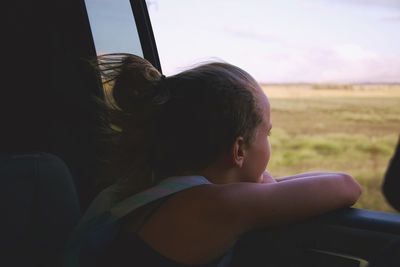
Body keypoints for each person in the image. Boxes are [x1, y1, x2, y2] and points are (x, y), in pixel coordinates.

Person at [70, 53, 361, 267]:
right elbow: (346, 186)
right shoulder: (210, 206)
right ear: (238, 150)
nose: (269, 143)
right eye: (266, 133)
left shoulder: (149, 189)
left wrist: (263, 183)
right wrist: (265, 184)